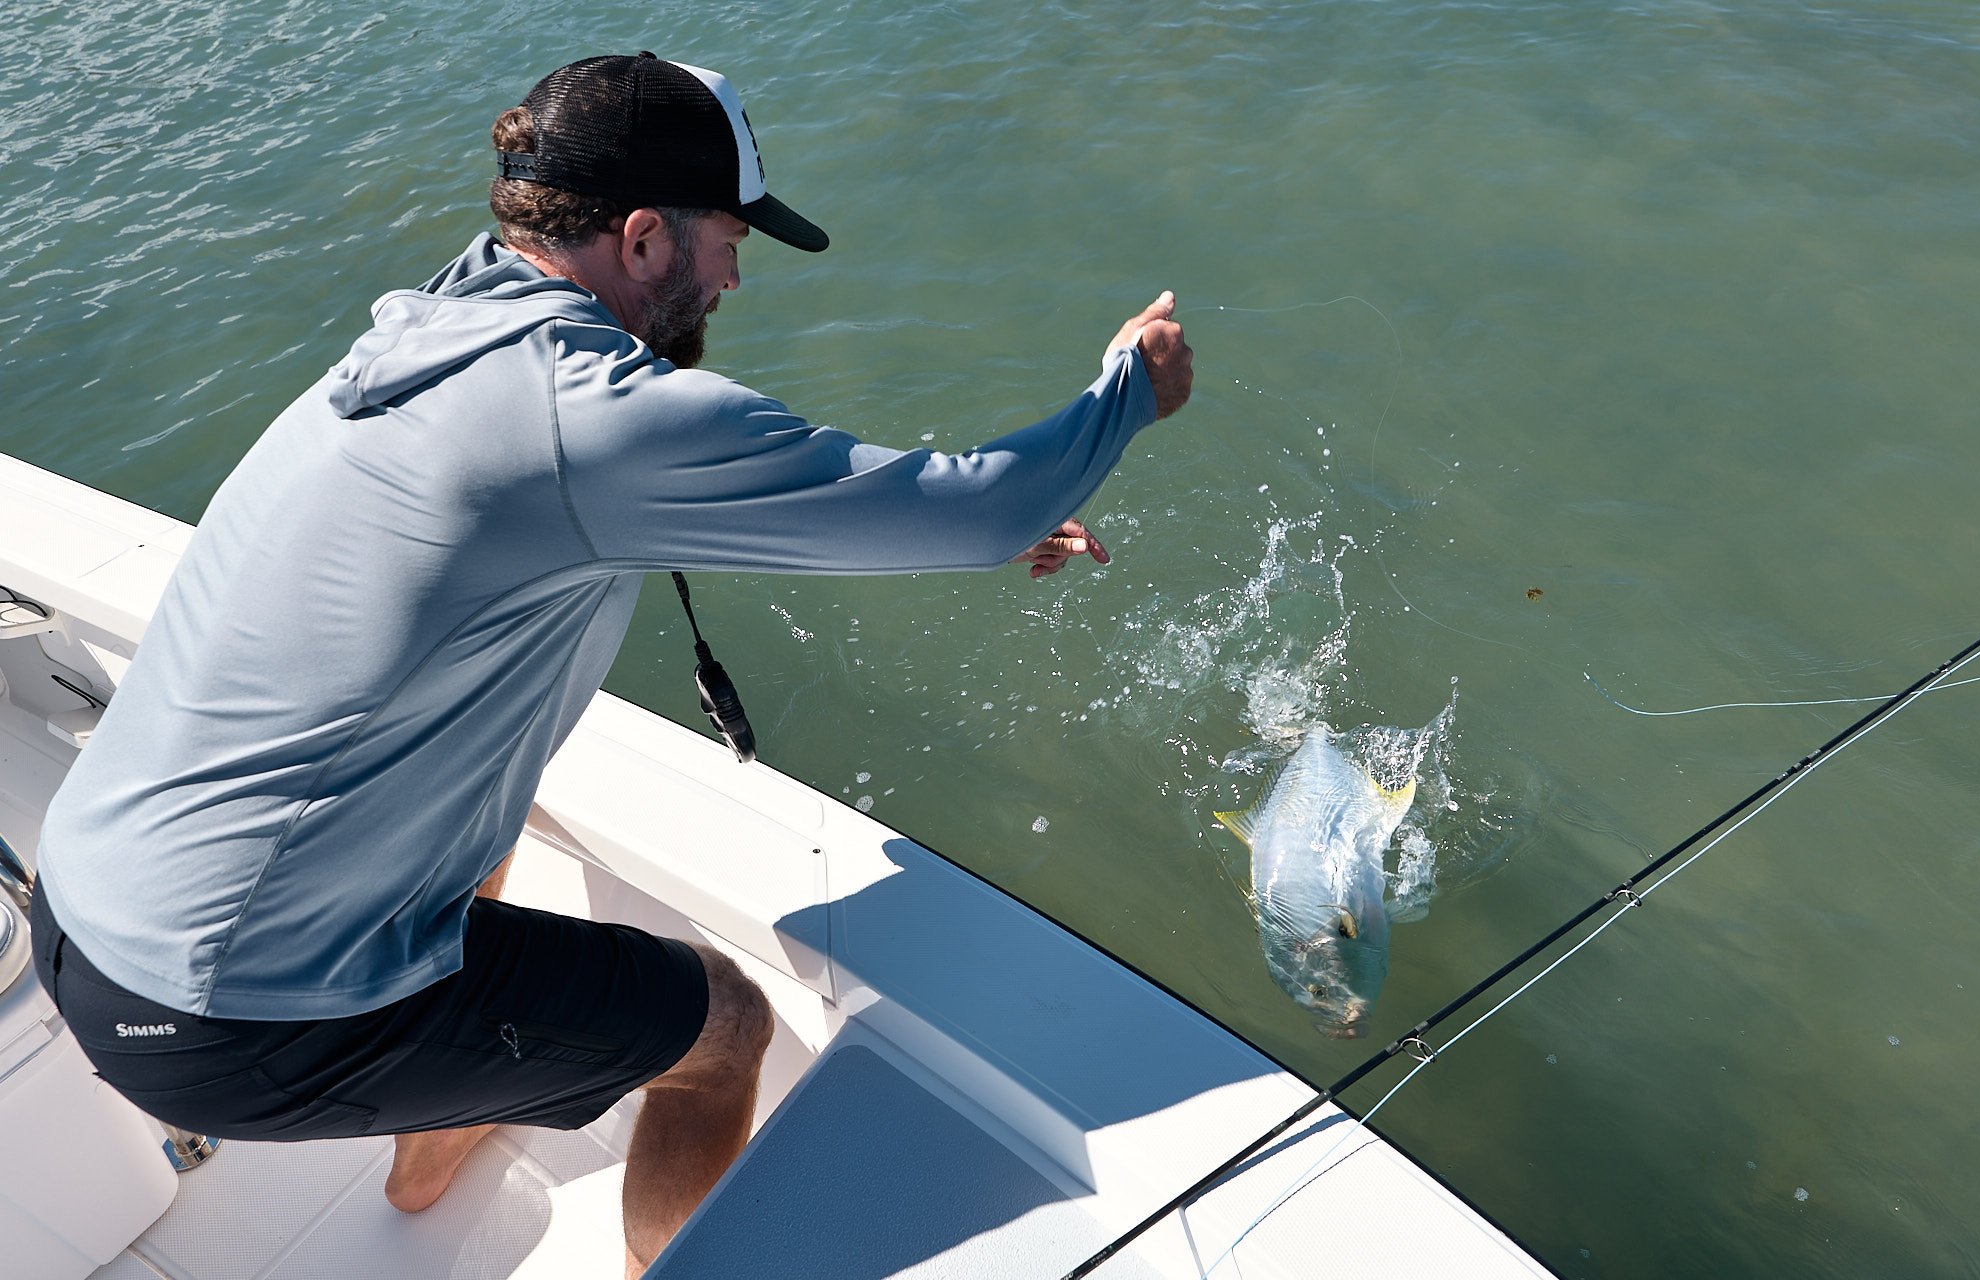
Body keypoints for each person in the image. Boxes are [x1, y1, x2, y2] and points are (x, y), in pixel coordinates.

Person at [27, 52, 1191, 1276]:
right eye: (729, 237)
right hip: (220, 1015)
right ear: (642, 239)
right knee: (722, 1025)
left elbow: (640, 492)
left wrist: (917, 521)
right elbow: (968, 509)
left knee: (492, 826)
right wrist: (1125, 391)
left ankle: (424, 1163)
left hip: (85, 902)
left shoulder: (436, 326)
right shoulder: (581, 413)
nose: (738, 272)